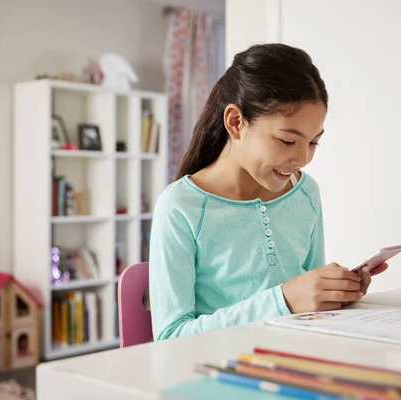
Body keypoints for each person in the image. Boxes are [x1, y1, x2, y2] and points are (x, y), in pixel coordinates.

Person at [149, 43, 388, 341]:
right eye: (288, 141)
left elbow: (309, 310)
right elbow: (170, 337)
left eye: (313, 142)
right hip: (220, 373)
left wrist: (333, 293)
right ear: (236, 122)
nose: (302, 159)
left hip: (295, 360)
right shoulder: (181, 206)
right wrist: (283, 301)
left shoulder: (305, 193)